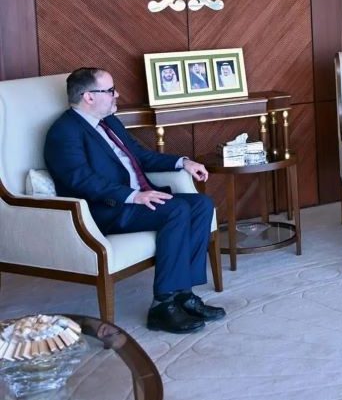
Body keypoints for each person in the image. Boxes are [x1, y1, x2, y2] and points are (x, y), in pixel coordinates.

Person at [44, 68, 225, 334]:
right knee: (175, 210)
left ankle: (184, 295)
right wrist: (133, 196)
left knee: (201, 204)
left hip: (135, 200)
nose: (117, 94)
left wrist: (183, 162)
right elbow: (80, 180)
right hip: (105, 209)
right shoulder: (64, 132)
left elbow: (141, 155)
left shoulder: (110, 122)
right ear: (88, 97)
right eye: (110, 90)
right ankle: (162, 306)